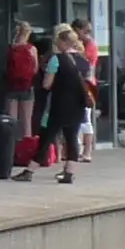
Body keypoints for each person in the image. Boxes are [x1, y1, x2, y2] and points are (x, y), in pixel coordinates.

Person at [41, 21, 93, 178]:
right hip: (78, 104)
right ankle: (69, 172)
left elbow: (46, 84)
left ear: (63, 42)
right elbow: (89, 81)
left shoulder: (56, 60)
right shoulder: (84, 61)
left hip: (59, 104)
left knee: (47, 136)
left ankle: (30, 169)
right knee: (72, 137)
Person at [0, 19, 43, 130]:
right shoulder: (32, 49)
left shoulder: (11, 49)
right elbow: (35, 69)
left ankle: (11, 145)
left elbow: (4, 67)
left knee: (11, 121)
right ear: (28, 33)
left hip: (12, 87)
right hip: (27, 87)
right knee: (27, 122)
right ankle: (27, 145)